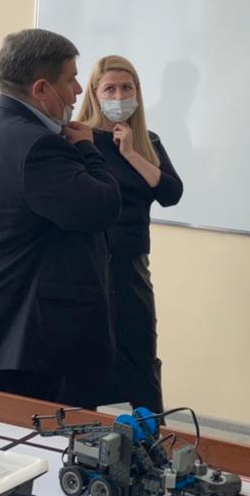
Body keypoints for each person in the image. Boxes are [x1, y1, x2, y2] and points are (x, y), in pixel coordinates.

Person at [0, 29, 121, 404]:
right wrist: (89, 148)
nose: (78, 91)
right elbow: (103, 207)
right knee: (27, 435)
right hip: (11, 338)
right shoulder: (38, 146)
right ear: (42, 89)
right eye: (70, 79)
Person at [74, 55, 183, 413]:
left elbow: (171, 193)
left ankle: (149, 438)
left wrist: (132, 152)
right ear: (95, 93)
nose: (119, 96)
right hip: (88, 265)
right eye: (110, 89)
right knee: (87, 361)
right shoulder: (79, 137)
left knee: (140, 358)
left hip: (132, 265)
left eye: (127, 88)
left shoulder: (146, 141)